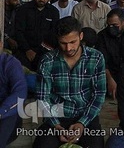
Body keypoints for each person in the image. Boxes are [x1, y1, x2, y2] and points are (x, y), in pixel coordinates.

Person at [33, 17, 106, 148]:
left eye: (73, 42)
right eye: (63, 43)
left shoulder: (96, 57)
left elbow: (99, 95)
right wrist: (56, 126)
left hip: (86, 115)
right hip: (57, 116)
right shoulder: (47, 61)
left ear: (81, 36)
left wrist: (82, 123)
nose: (68, 48)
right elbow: (43, 99)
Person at [14, 0, 60, 71]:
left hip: (45, 54)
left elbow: (53, 35)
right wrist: (27, 50)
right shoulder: (23, 10)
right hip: (24, 52)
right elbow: (18, 32)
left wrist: (39, 52)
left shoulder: (53, 12)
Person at [0, 46, 27, 147]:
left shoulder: (10, 63)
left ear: (0, 44)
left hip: (8, 113)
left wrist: (1, 112)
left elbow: (20, 92)